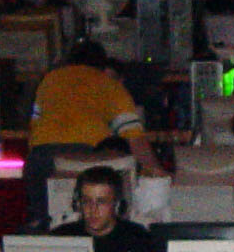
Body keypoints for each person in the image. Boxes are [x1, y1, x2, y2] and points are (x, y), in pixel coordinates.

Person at [25, 37, 163, 221]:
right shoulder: (109, 85)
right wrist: (159, 174)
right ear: (102, 64)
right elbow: (135, 139)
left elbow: (34, 125)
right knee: (93, 223)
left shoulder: (48, 81)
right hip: (86, 160)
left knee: (46, 225)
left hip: (40, 159)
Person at [52, 165, 154, 252]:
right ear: (78, 203)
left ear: (117, 204)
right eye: (87, 201)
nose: (93, 210)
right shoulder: (61, 238)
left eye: (101, 202)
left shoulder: (139, 240)